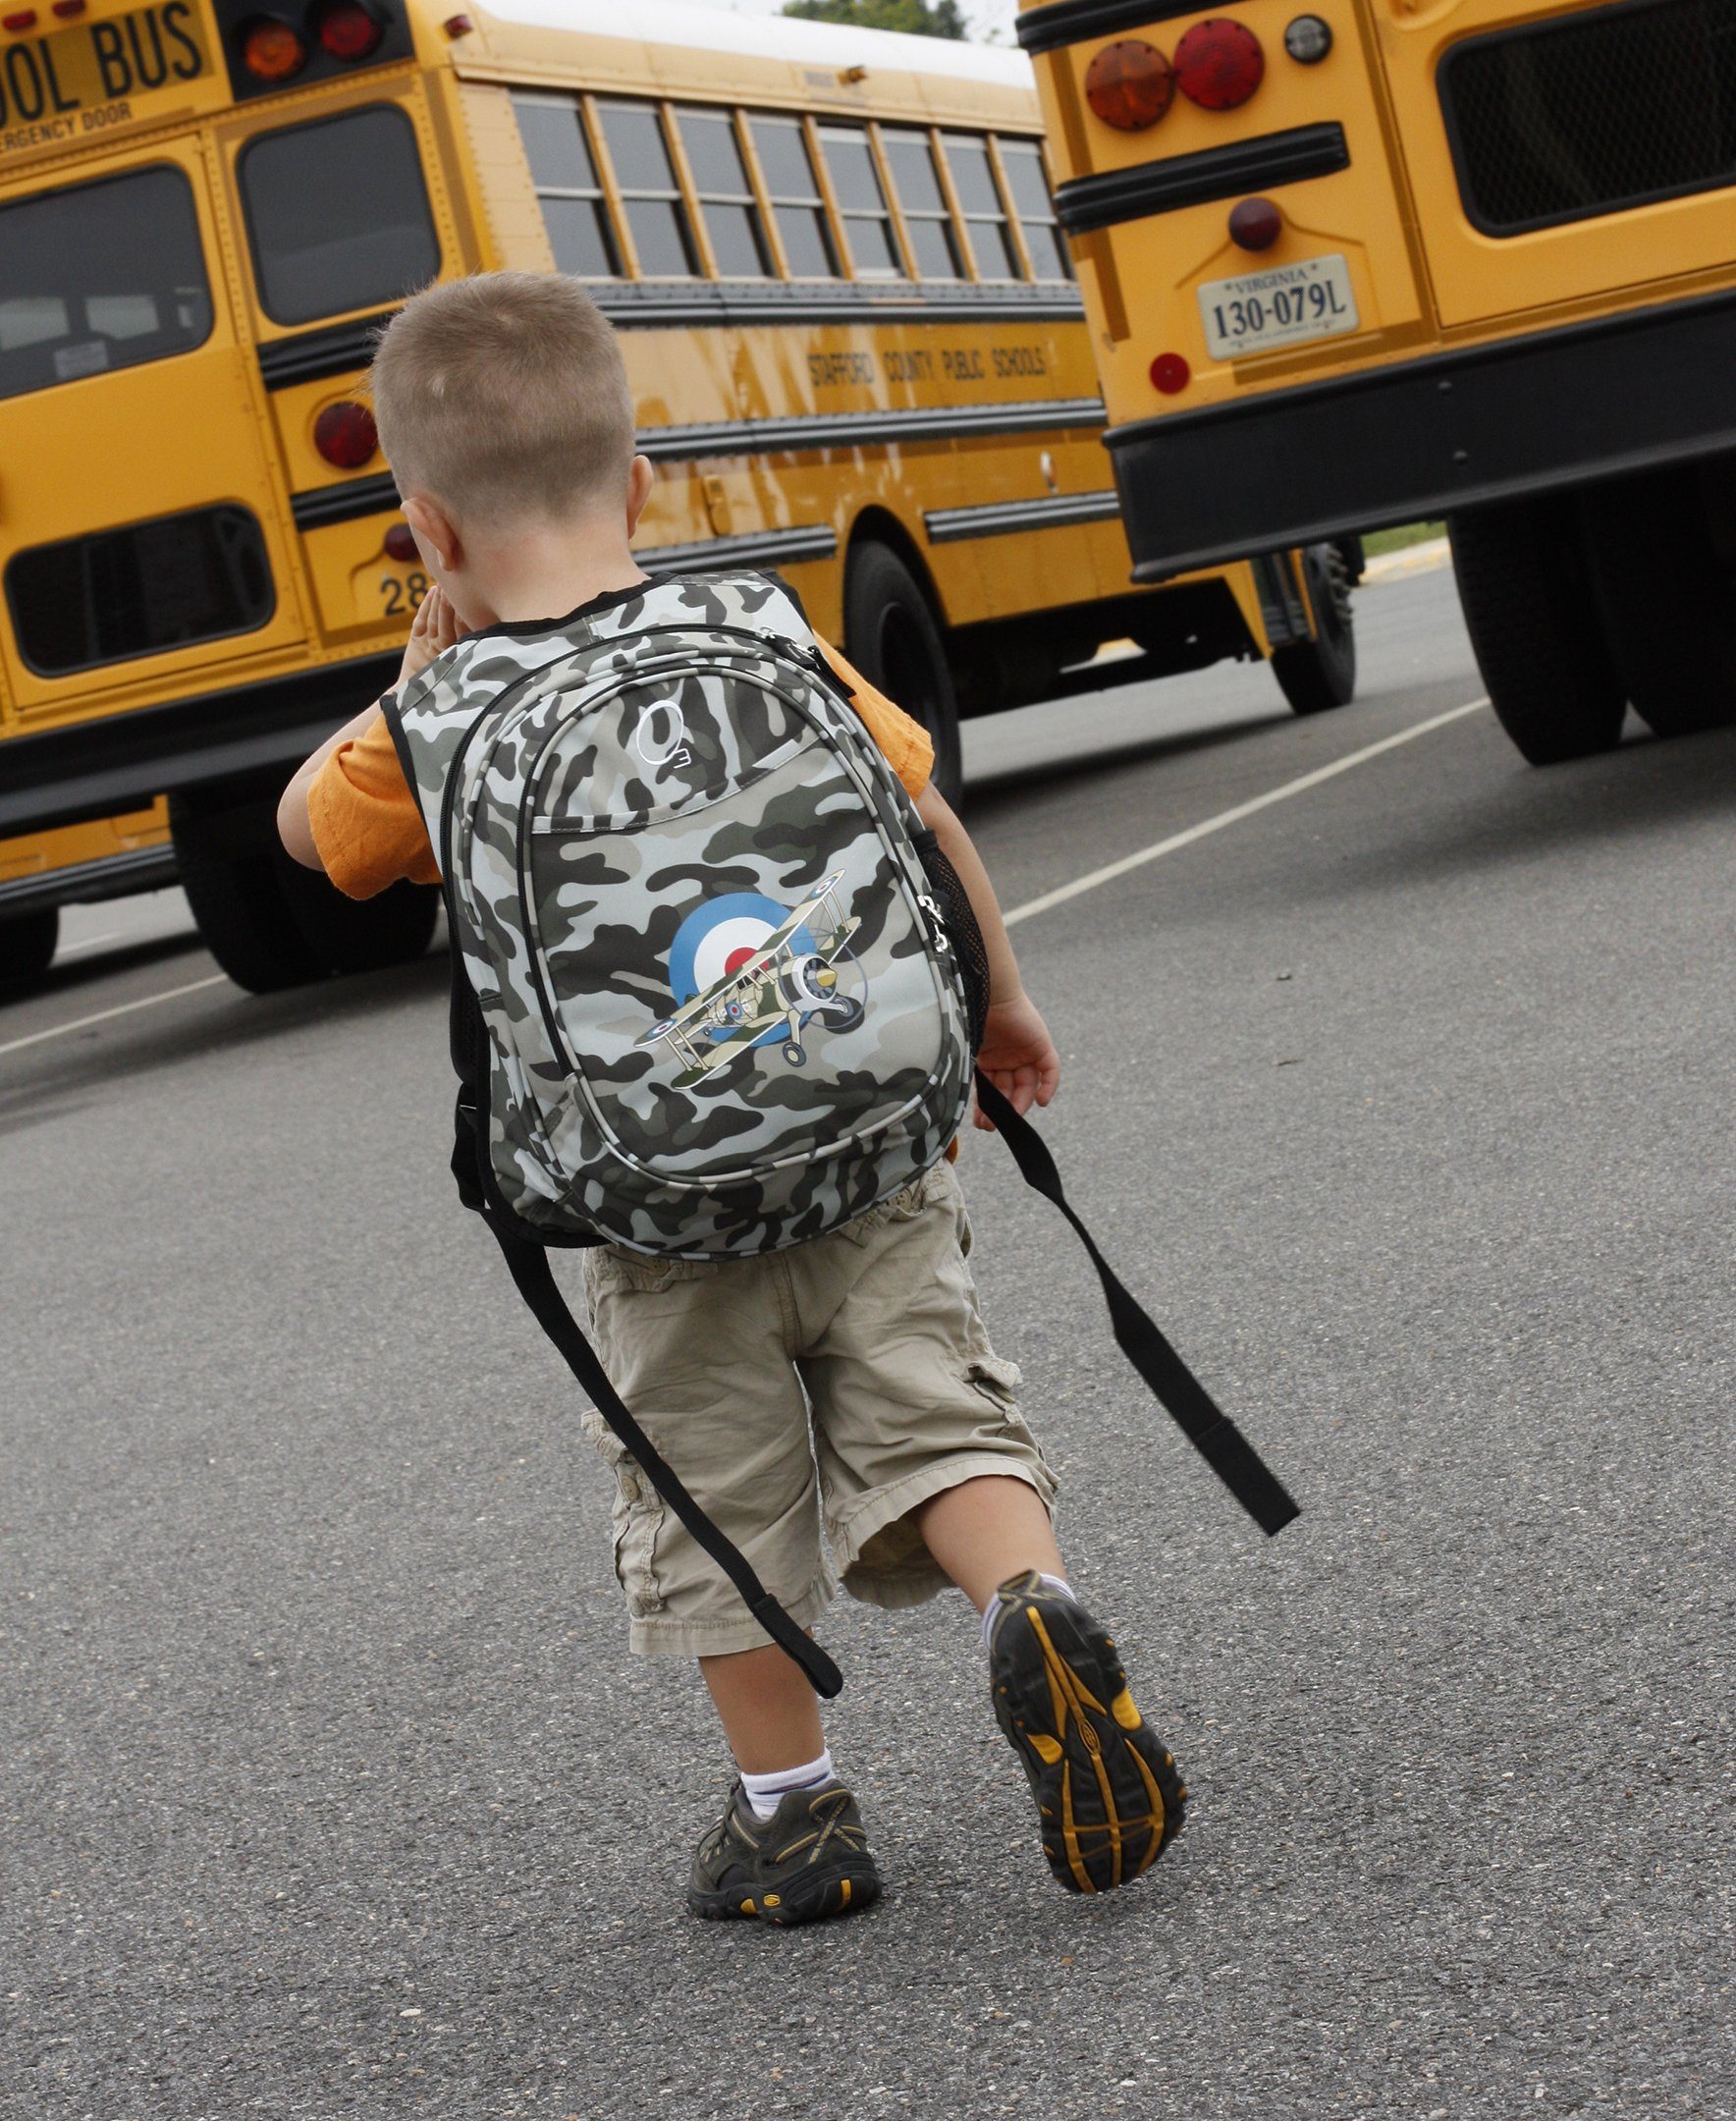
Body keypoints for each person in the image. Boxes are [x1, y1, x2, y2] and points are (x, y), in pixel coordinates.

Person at [278, 273, 1183, 1925]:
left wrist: (417, 673)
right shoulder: (762, 625)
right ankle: (1026, 1606)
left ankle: (793, 1817)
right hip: (867, 1135)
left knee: (709, 1484)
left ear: (423, 528)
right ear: (638, 485)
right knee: (934, 1407)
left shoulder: (439, 715)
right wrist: (1003, 1005)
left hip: (649, 1201)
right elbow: (922, 817)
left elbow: (309, 844)